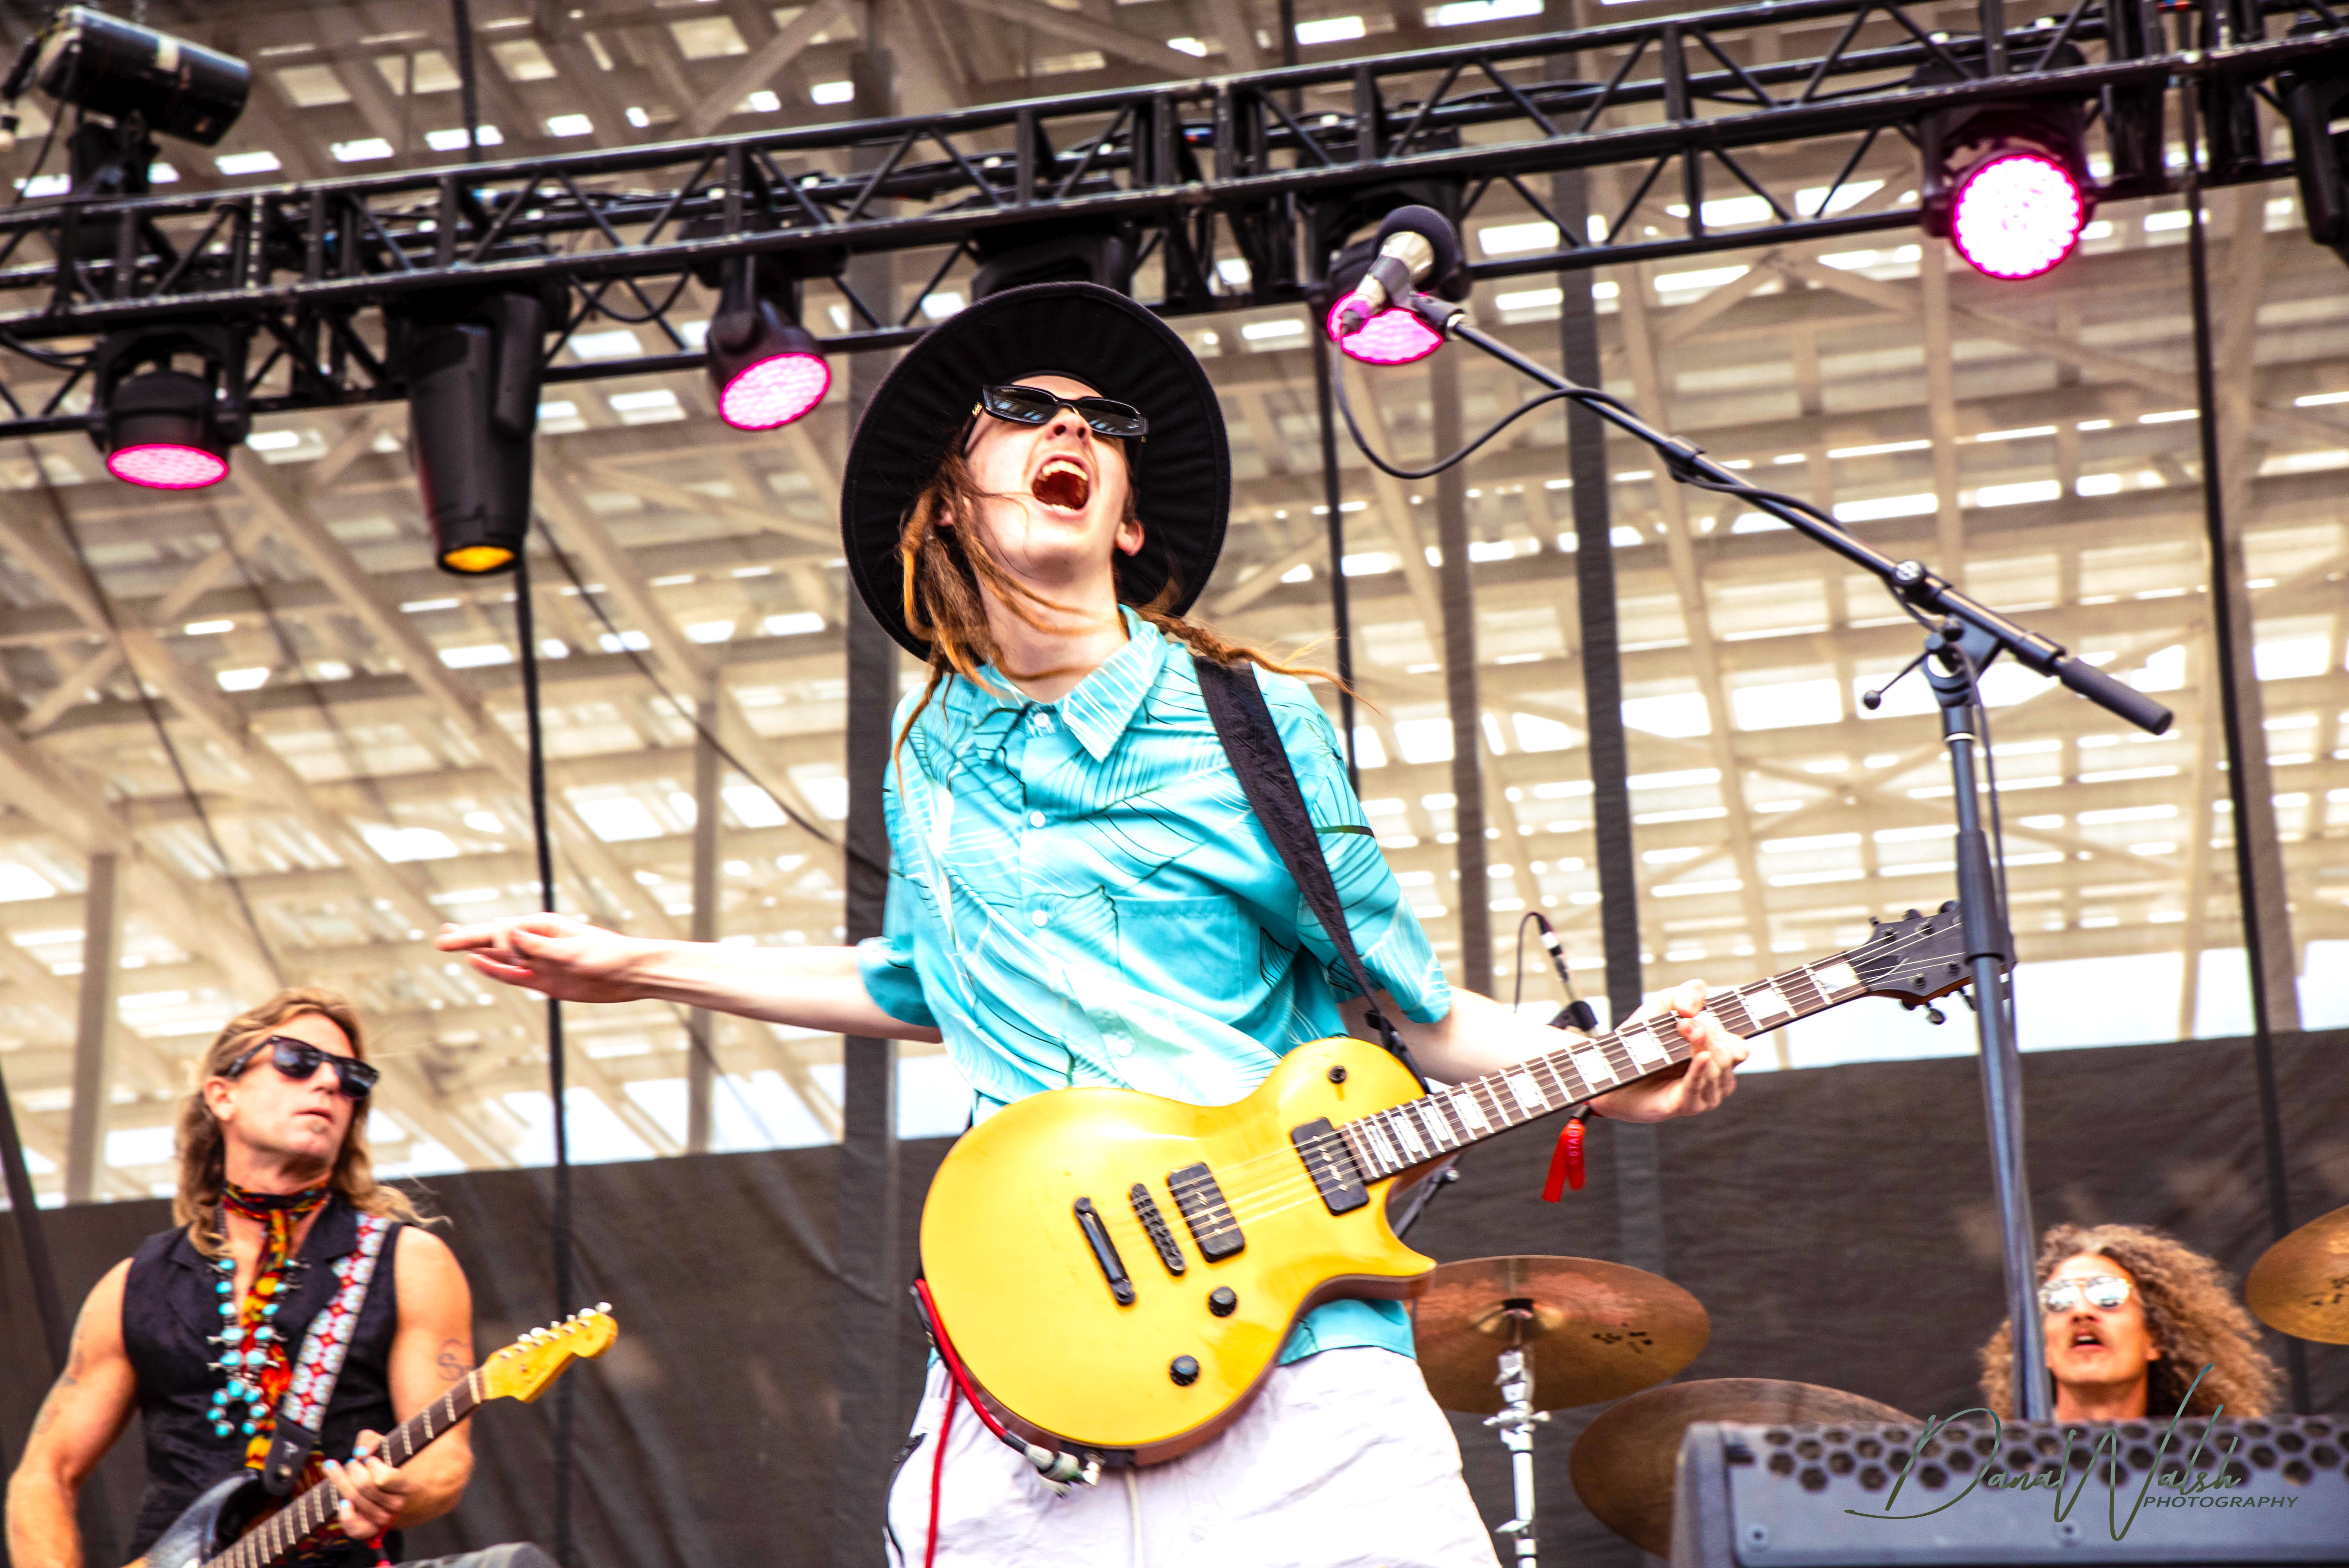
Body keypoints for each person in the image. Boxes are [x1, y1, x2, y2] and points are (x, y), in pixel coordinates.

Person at [435, 280, 1748, 1566]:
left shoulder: (1249, 720)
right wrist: (638, 965)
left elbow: (1412, 1006)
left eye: (1102, 425)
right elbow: (915, 983)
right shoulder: (928, 758)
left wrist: (1607, 1067)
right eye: (1021, 410)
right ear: (950, 499)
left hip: (1295, 1370)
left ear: (1126, 523)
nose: (1072, 430)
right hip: (1031, 1363)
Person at [6, 989, 477, 1568]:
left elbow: (446, 1457)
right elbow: (43, 1475)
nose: (329, 1082)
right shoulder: (134, 1286)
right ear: (222, 1095)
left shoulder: (409, 1263)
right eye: (297, 1062)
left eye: (352, 1077)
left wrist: (398, 1492)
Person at [1978, 1222, 2280, 1422]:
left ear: (2156, 1338)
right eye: (2059, 1299)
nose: (2082, 1310)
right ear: (2041, 1347)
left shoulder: (2208, 1468)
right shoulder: (1998, 1470)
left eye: (2108, 1295)